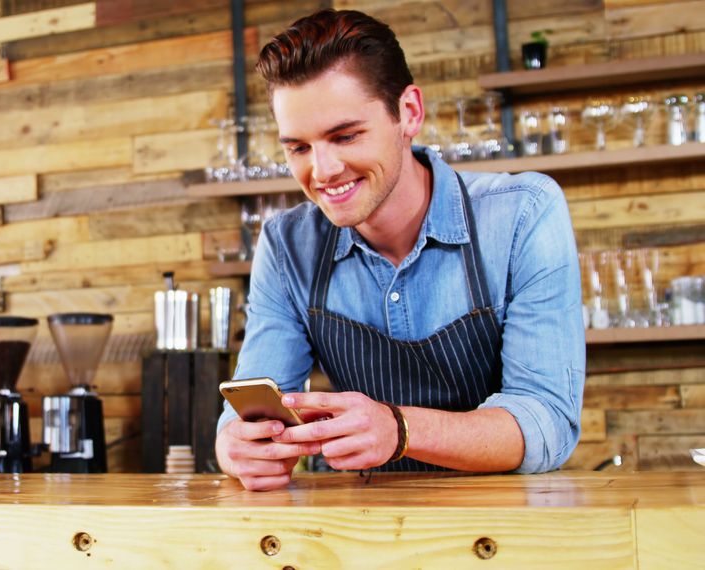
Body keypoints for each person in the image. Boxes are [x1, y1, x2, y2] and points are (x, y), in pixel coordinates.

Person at [215, 9, 585, 491]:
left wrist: (400, 430)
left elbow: (548, 421)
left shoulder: (522, 214)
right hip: (361, 530)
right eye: (298, 148)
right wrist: (234, 448)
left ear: (408, 113)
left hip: (504, 533)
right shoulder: (288, 245)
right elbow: (242, 416)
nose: (323, 170)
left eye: (345, 136)